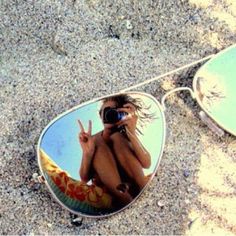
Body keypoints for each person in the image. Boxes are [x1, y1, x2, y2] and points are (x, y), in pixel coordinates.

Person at [78, 94, 155, 208]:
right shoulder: (93, 140)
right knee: (97, 142)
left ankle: (144, 191)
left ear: (122, 114)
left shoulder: (125, 136)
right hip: (113, 189)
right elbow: (84, 178)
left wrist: (132, 132)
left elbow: (146, 163)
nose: (110, 114)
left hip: (134, 182)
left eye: (115, 111)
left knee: (118, 138)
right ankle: (125, 200)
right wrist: (87, 153)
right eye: (107, 111)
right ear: (100, 116)